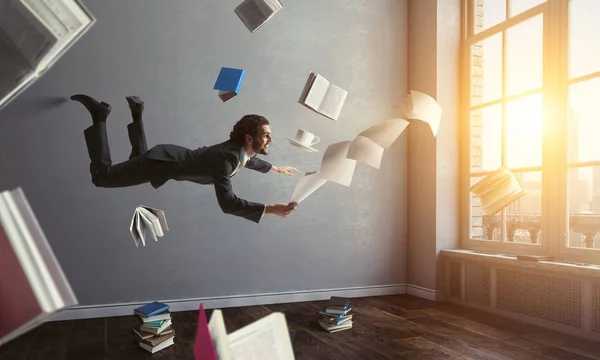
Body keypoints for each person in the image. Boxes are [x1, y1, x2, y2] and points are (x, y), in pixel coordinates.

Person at [70, 94, 299, 223]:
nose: (271, 139)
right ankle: (99, 116)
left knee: (138, 159)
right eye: (266, 135)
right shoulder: (226, 160)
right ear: (249, 139)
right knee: (102, 177)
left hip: (166, 158)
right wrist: (271, 209)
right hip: (162, 163)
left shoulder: (239, 151)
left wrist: (275, 168)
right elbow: (228, 203)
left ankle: (137, 112)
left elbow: (250, 161)